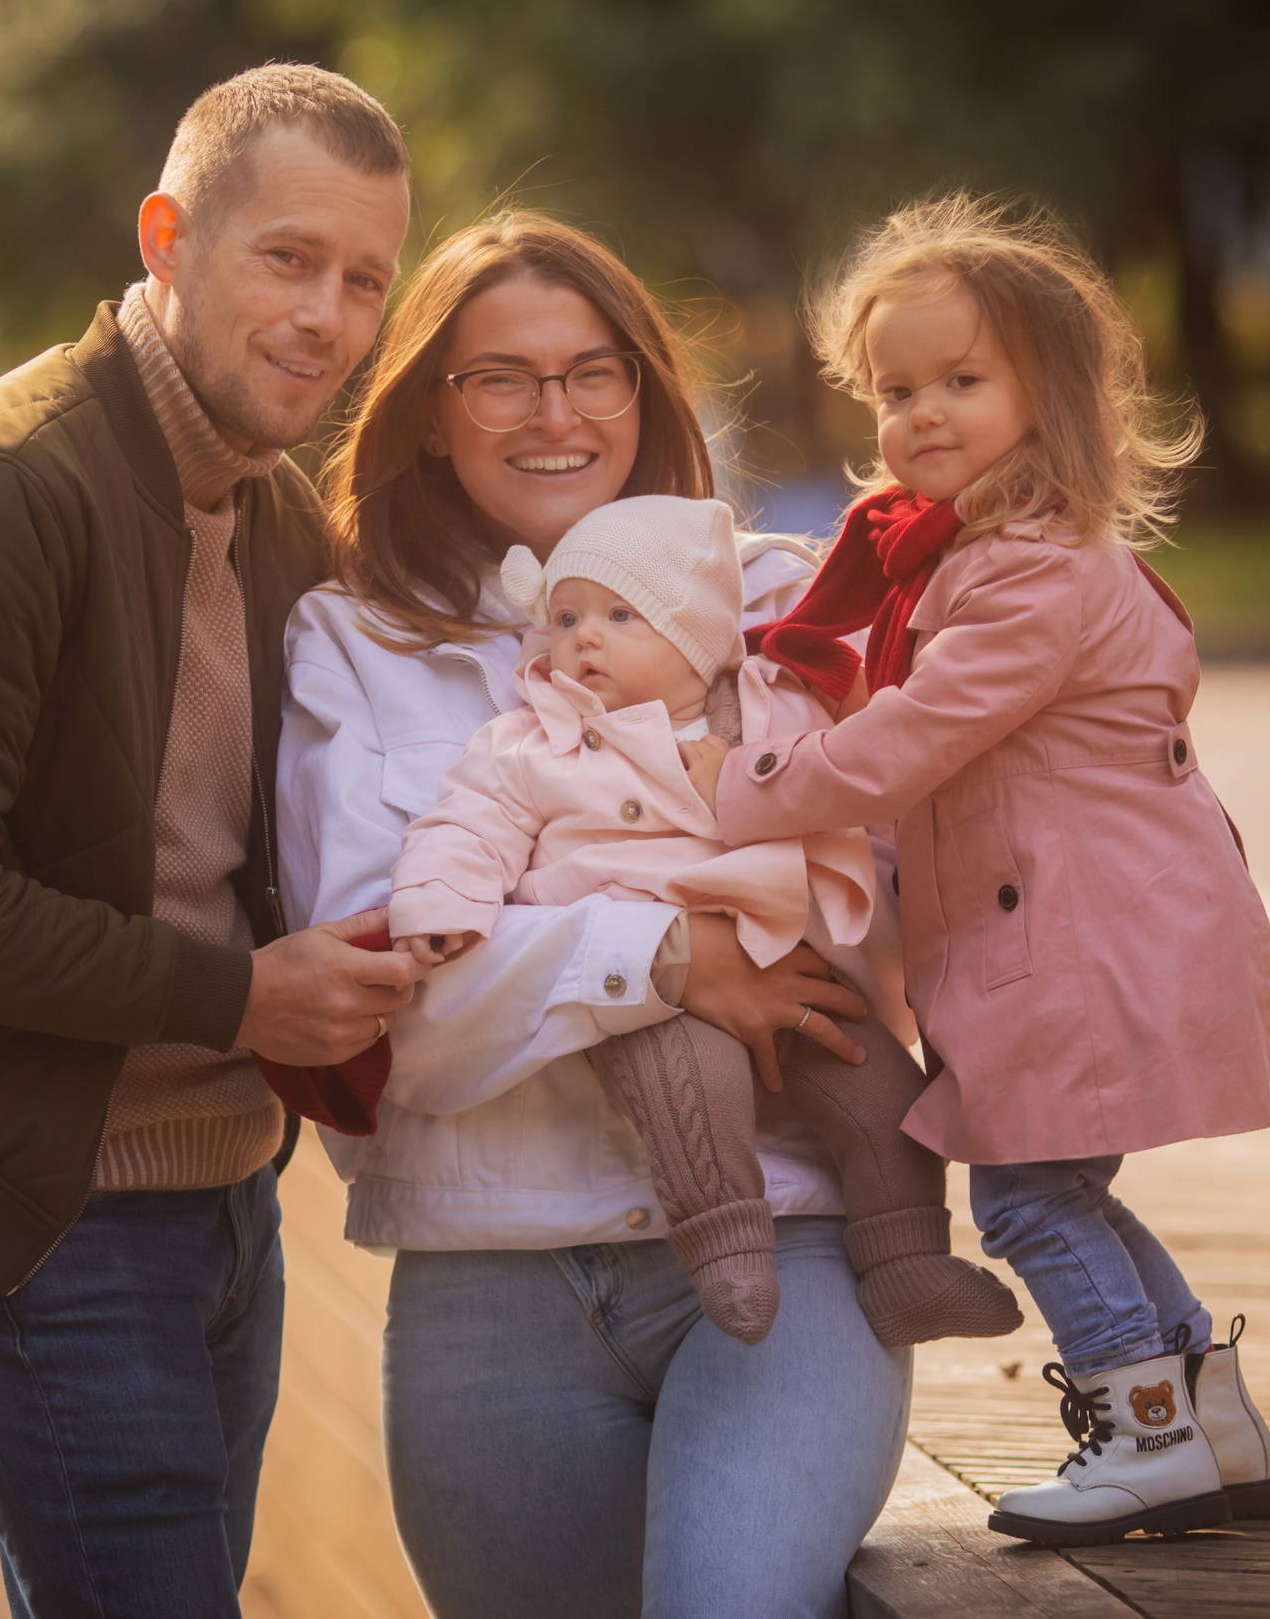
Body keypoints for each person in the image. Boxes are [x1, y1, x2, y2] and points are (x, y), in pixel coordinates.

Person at [0, 64, 418, 1619]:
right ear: (168, 240)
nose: (328, 318)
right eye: (288, 258)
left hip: (223, 1195)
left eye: (364, 280)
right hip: (44, 1206)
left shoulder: (273, 521)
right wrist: (239, 998)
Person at [277, 211, 905, 1619]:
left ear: (645, 389)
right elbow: (387, 1014)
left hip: (788, 1238)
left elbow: (853, 944)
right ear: (433, 414)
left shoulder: (784, 605)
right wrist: (672, 959)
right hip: (488, 1283)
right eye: (500, 376)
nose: (554, 413)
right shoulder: (352, 645)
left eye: (594, 369)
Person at [688, 194, 1270, 1548]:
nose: (923, 414)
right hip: (1090, 931)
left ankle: (1148, 1439)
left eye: (964, 379)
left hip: (1090, 944)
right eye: (898, 389)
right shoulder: (986, 559)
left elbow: (905, 742)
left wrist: (741, 794)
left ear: (1051, 395)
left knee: (1025, 1195)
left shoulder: (1033, 578)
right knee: (1063, 1186)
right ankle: (1210, 1422)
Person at [384, 492, 1021, 1348]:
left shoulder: (774, 706)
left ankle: (906, 1261)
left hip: (786, 959)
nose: (585, 637)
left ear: (698, 633)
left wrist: (869, 705)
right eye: (566, 616)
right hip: (643, 977)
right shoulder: (529, 742)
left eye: (620, 613)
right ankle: (729, 1254)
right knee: (698, 1090)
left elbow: (862, 755)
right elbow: (468, 825)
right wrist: (442, 904)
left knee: (883, 1091)